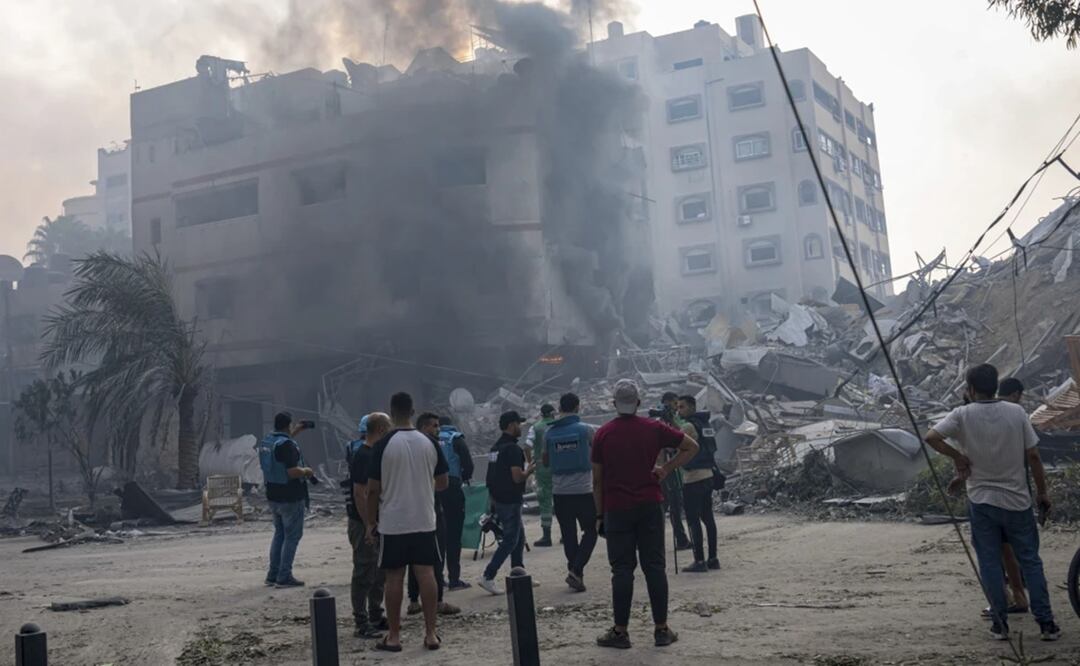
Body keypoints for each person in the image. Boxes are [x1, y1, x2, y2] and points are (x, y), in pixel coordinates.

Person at [926, 364, 1060, 642]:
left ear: (971, 390)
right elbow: (1034, 457)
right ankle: (1046, 624)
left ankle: (1000, 624)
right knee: (1031, 562)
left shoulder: (962, 414)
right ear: (995, 387)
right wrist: (1042, 493)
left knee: (989, 563)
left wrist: (957, 457)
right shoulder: (1016, 413)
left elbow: (931, 437)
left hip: (982, 502)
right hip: (1018, 502)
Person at [592, 380, 699, 650]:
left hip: (616, 509)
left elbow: (597, 480)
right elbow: (691, 447)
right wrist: (666, 468)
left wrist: (599, 515)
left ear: (614, 403)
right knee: (654, 567)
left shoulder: (603, 434)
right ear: (638, 403)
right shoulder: (654, 428)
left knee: (622, 570)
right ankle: (661, 630)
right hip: (650, 506)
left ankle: (620, 632)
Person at [365, 393, 450, 652]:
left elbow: (372, 490)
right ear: (413, 411)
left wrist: (370, 523)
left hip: (394, 522)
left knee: (393, 579)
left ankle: (393, 636)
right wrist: (422, 489)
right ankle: (431, 634)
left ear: (391, 413)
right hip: (424, 519)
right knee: (426, 574)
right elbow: (444, 482)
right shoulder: (430, 442)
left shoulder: (382, 445)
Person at [406, 413, 461, 617]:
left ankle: (413, 600)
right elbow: (443, 481)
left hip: (409, 510)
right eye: (434, 426)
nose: (438, 430)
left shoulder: (405, 446)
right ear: (423, 427)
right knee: (435, 556)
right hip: (430, 509)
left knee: (412, 557)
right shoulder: (431, 445)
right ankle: (437, 601)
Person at [542, 393, 597, 592]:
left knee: (569, 534)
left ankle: (576, 573)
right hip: (583, 490)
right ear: (577, 407)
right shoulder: (585, 430)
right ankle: (576, 569)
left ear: (560, 407)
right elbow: (599, 452)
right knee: (591, 530)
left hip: (560, 492)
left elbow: (546, 461)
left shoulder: (549, 433)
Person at [479, 411, 535, 595]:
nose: (521, 427)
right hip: (510, 499)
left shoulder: (495, 448)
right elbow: (517, 477)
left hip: (499, 498)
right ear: (512, 425)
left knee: (519, 537)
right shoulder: (512, 449)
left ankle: (518, 572)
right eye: (519, 424)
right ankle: (488, 576)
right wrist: (529, 470)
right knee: (511, 539)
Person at [256, 412, 315, 588]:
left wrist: (296, 431)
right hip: (291, 496)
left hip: (273, 495)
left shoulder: (268, 441)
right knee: (292, 536)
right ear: (288, 425)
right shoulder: (287, 445)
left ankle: (272, 575)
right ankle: (284, 577)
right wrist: (306, 472)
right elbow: (291, 471)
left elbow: (282, 451)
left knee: (279, 534)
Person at [349, 412, 390, 638]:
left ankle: (376, 613)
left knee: (379, 570)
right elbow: (360, 492)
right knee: (364, 571)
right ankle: (361, 621)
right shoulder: (363, 455)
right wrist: (368, 525)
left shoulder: (374, 453)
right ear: (382, 429)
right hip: (362, 522)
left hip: (377, 521)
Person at [676, 394, 719, 573]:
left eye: (682, 407)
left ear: (692, 408)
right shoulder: (705, 425)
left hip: (693, 478)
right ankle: (713, 558)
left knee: (693, 520)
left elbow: (675, 444)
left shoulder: (687, 426)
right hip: (708, 475)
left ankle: (699, 560)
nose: (679, 411)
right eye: (678, 407)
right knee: (708, 518)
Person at [436, 416, 475, 590]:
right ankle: (454, 579)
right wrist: (464, 477)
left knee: (438, 536)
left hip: (433, 488)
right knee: (454, 534)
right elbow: (468, 464)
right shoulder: (455, 438)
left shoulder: (431, 439)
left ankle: (438, 579)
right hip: (452, 486)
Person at [658, 392, 692, 550]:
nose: (675, 408)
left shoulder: (676, 420)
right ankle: (681, 539)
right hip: (665, 469)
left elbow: (681, 436)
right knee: (672, 506)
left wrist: (671, 420)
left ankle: (681, 538)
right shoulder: (658, 423)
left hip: (674, 469)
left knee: (671, 506)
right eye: (673, 404)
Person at [526, 404, 557, 547]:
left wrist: (530, 462)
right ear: (552, 413)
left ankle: (547, 536)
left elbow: (527, 446)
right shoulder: (557, 426)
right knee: (560, 500)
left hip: (542, 468)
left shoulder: (536, 427)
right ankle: (565, 534)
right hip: (558, 467)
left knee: (545, 501)